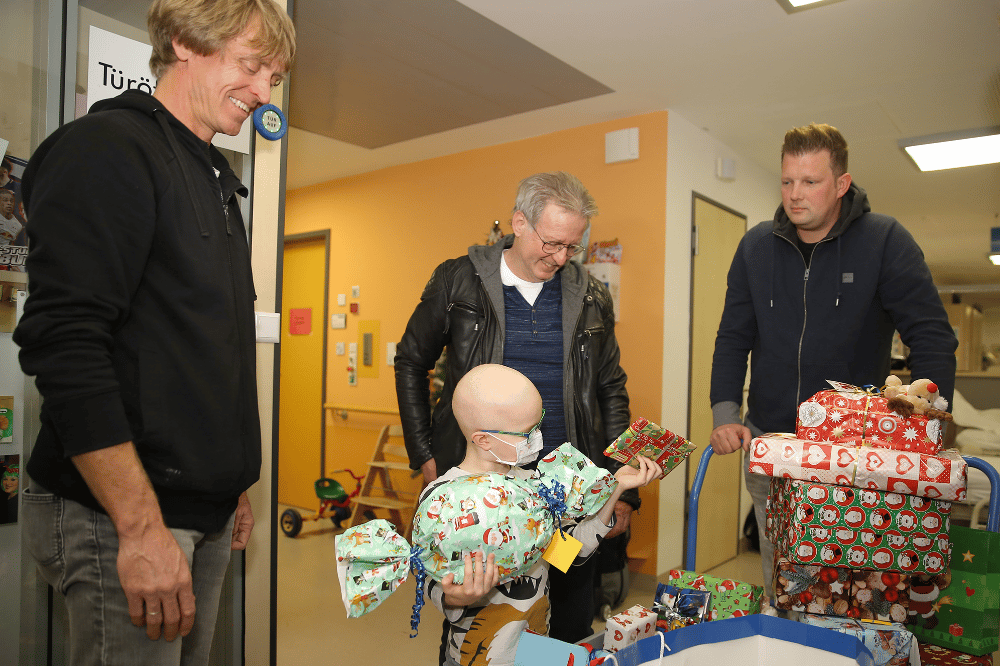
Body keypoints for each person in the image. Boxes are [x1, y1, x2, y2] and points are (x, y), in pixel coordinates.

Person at [13, 1, 294, 664]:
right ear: (183, 42)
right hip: (123, 515)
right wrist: (139, 527)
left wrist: (231, 483)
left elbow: (201, 352)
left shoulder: (214, 179)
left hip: (203, 512)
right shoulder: (107, 150)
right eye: (252, 67)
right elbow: (66, 345)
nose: (263, 92)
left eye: (274, 79)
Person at [709, 122, 958, 594]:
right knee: (783, 582)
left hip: (856, 449)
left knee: (849, 589)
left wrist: (926, 426)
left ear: (842, 184)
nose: (795, 195)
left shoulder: (884, 240)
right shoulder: (757, 247)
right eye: (787, 181)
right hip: (773, 441)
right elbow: (732, 336)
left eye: (810, 182)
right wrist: (725, 411)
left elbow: (932, 337)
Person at [395, 171, 635, 644]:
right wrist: (423, 452)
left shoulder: (590, 295)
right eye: (551, 243)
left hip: (569, 493)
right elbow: (410, 362)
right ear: (519, 222)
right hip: (488, 491)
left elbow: (611, 388)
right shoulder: (458, 280)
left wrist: (622, 490)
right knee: (485, 621)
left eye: (572, 246)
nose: (561, 257)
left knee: (564, 617)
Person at [425, 364, 661, 666]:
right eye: (527, 433)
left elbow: (569, 553)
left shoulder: (535, 484)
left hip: (535, 648)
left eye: (539, 425)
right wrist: (459, 596)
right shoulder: (443, 499)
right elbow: (430, 580)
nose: (538, 438)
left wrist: (617, 487)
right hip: (476, 656)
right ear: (484, 439)